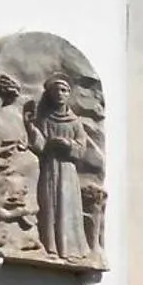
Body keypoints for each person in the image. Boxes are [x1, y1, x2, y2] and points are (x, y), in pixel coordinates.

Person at [23, 76, 97, 260]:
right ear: (49, 94)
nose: (60, 94)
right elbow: (40, 145)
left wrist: (67, 144)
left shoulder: (75, 122)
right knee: (49, 205)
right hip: (50, 166)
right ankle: (51, 247)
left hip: (68, 170)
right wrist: (30, 126)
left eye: (64, 90)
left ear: (69, 94)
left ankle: (71, 250)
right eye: (56, 90)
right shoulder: (45, 119)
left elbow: (81, 149)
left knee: (67, 206)